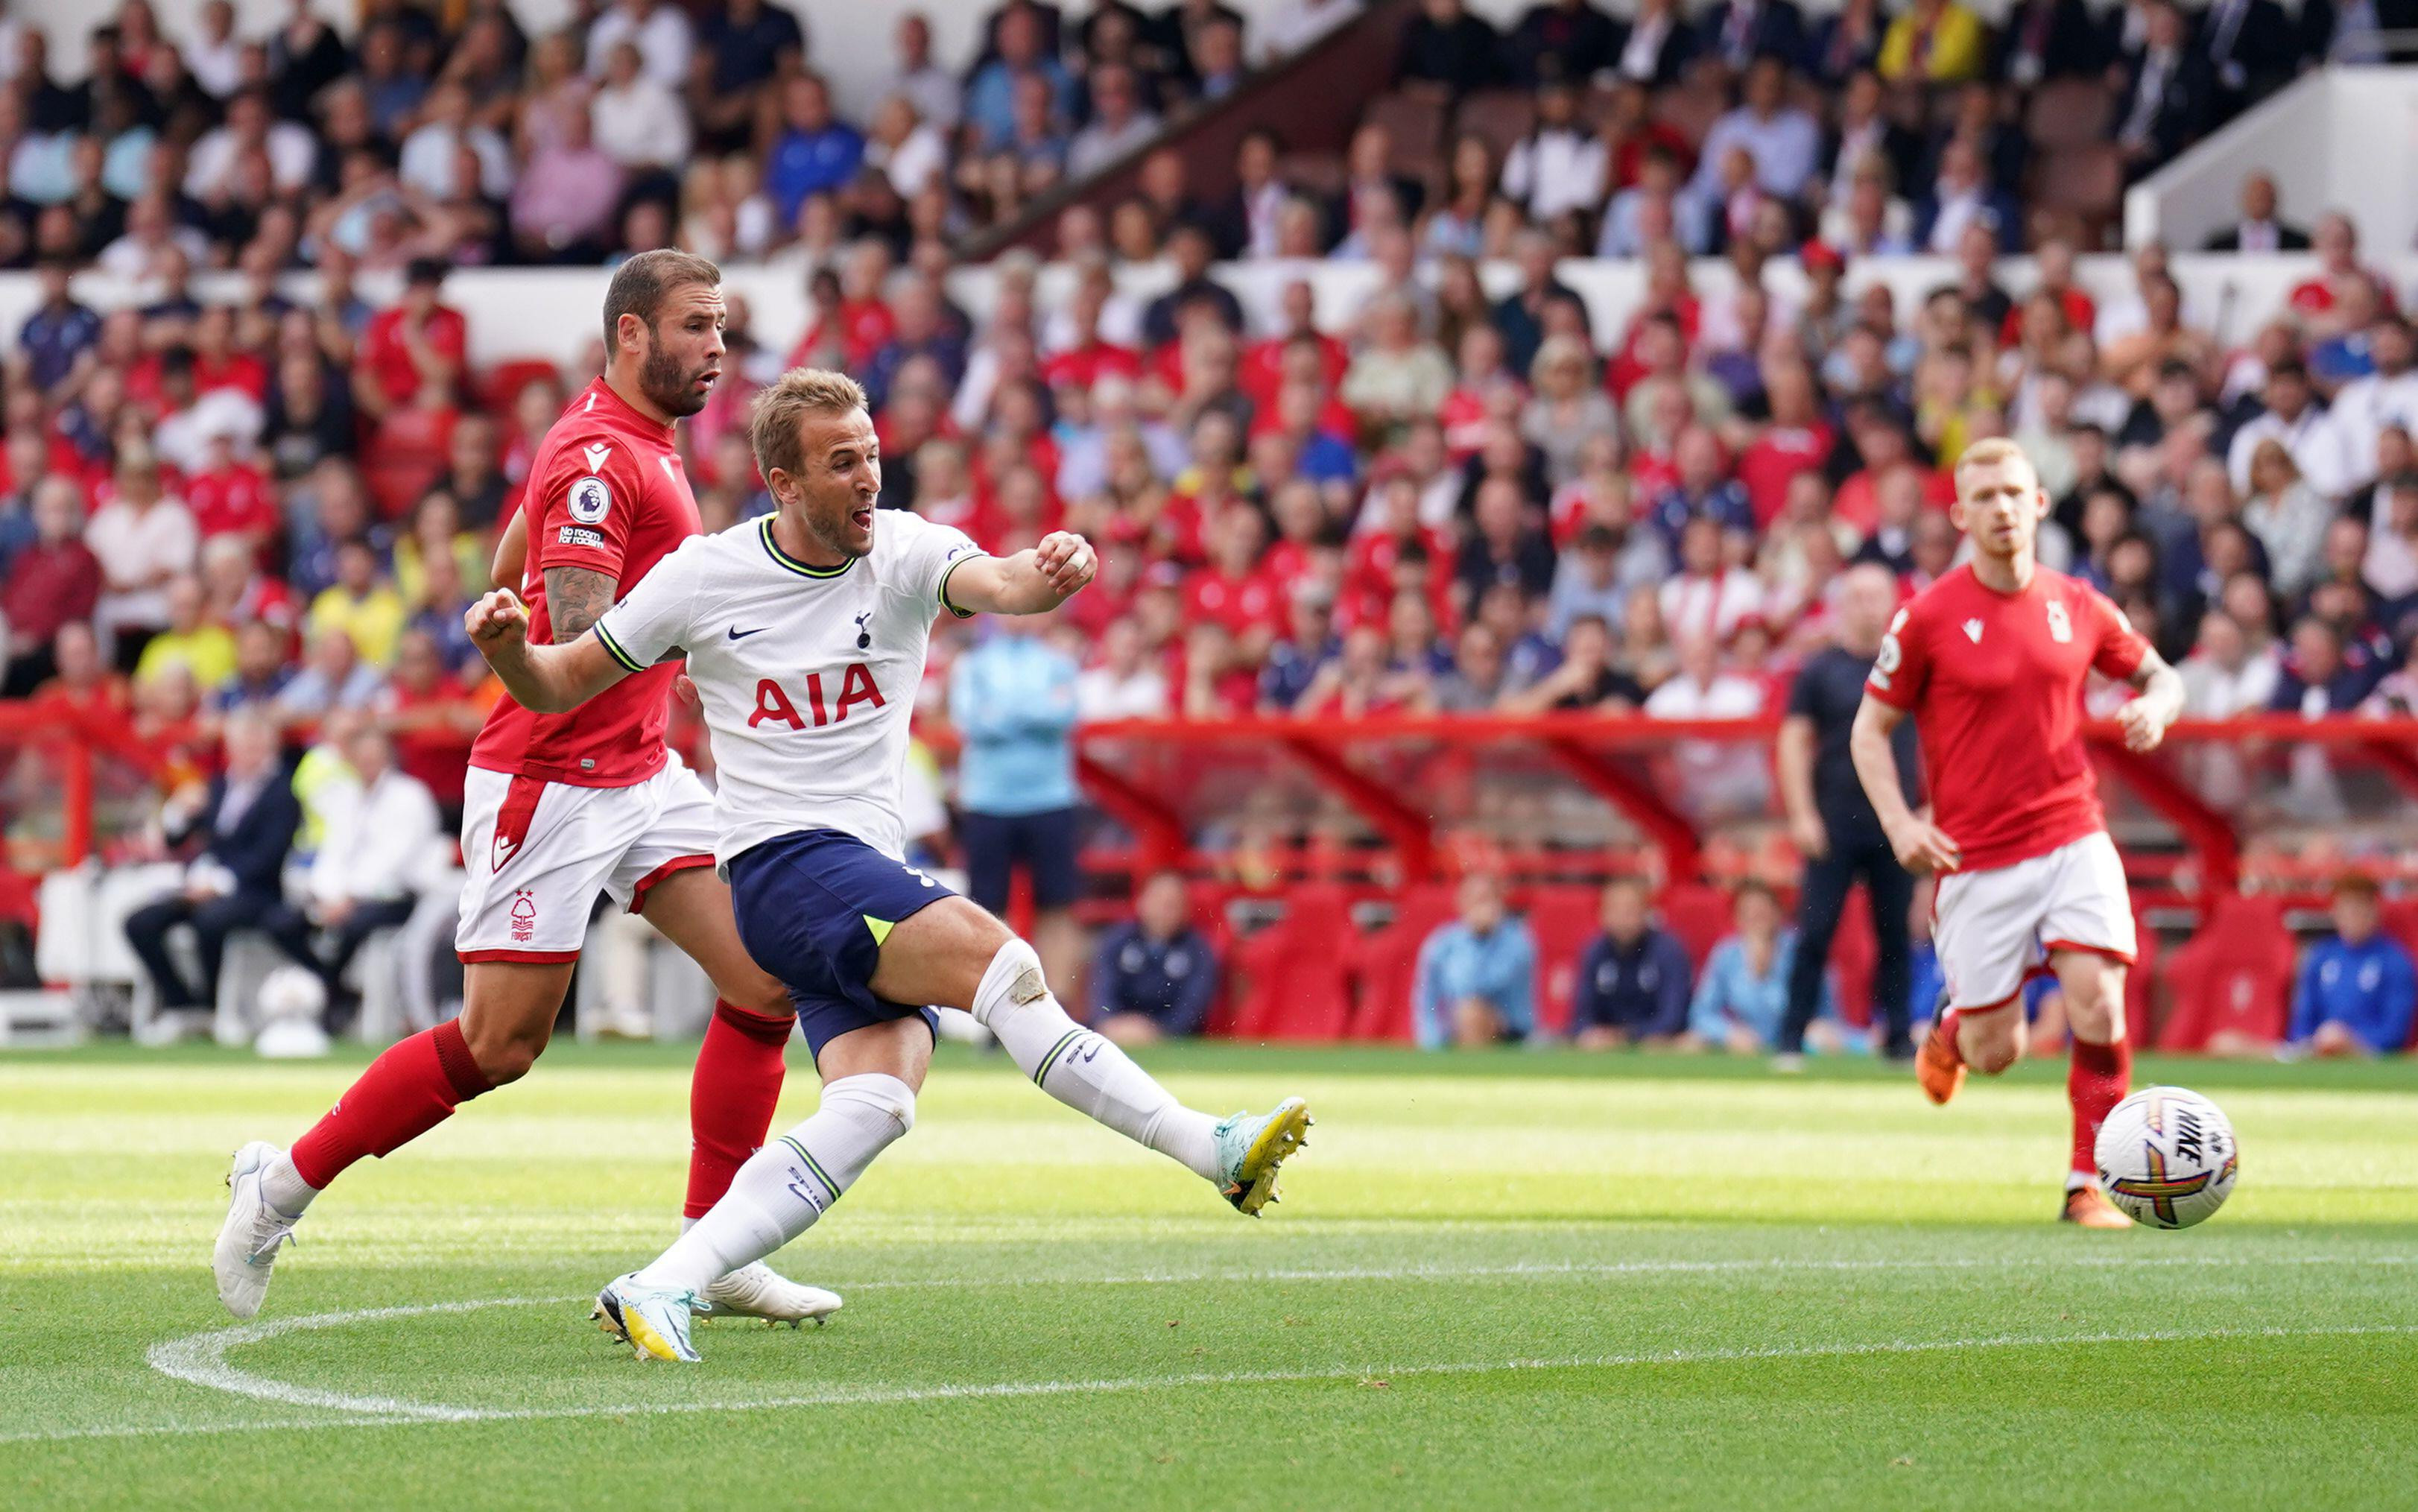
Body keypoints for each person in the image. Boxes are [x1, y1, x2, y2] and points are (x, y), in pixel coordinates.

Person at [461, 367, 1310, 1361]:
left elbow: (1001, 582)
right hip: (783, 870)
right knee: (1004, 968)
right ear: (784, 482)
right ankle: (1208, 1147)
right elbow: (561, 680)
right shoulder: (704, 575)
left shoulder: (902, 548)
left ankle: (665, 1283)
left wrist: (1054, 568)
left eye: (870, 455)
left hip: (851, 872)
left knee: (878, 1098)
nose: (867, 477)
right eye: (841, 463)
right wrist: (509, 648)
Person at [214, 253, 835, 1330]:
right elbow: (590, 619)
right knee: (499, 1047)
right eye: (697, 326)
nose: (718, 348)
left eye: (722, 326)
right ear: (631, 335)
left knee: (766, 981)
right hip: (549, 783)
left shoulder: (628, 439)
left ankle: (713, 1250)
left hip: (641, 773)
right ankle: (279, 1186)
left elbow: (522, 554)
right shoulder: (602, 451)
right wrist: (723, 623)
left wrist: (518, 606)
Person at [1851, 437, 2186, 1227]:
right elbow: (1869, 731)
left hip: (2073, 830)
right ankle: (1951, 1031)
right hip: (1976, 856)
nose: (2000, 508)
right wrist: (1900, 822)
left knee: (2098, 1003)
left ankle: (2087, 1184)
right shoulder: (1927, 617)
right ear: (1959, 514)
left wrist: (2155, 707)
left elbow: (2161, 674)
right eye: (1983, 496)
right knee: (1997, 1051)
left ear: (2038, 502)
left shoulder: (2077, 603)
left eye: (2012, 492)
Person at [1775, 562, 1918, 1065]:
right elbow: (1792, 740)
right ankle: (1790, 1038)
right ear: (1841, 604)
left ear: (1891, 602)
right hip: (1833, 821)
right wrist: (1801, 813)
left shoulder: (1910, 665)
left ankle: (1897, 1038)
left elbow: (1938, 740)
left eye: (1874, 596)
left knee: (1895, 934)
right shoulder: (1819, 669)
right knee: (1814, 930)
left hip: (1894, 820)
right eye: (1855, 596)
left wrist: (1924, 809)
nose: (1865, 606)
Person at [259, 724, 440, 1031]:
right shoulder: (344, 797)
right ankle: (337, 989)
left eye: (374, 756)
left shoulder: (410, 796)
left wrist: (352, 897)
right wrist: (328, 896)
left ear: (389, 757)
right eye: (361, 757)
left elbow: (396, 859)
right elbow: (332, 853)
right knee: (280, 922)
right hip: (340, 899)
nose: (367, 764)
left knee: (353, 927)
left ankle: (330, 996)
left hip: (395, 896)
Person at [123, 712, 300, 1017]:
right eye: (244, 746)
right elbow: (176, 840)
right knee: (140, 922)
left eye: (257, 746)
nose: (250, 753)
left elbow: (269, 856)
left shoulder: (283, 794)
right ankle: (181, 1001)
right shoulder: (217, 788)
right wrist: (178, 810)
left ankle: (211, 1003)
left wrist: (217, 884)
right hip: (202, 887)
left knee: (210, 921)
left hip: (254, 892)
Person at [948, 610, 1085, 988]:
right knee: (988, 911)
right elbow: (969, 720)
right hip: (988, 802)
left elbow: (1066, 713)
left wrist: (1003, 712)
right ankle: (994, 1005)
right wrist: (1035, 710)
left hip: (1050, 799)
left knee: (1058, 906)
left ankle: (1057, 1007)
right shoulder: (974, 664)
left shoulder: (1058, 663)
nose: (1018, 618)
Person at [1683, 881, 1841, 1053]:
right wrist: (1729, 1033)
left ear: (1778, 913)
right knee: (1695, 1042)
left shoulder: (1803, 952)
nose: (1757, 918)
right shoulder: (1727, 955)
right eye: (1749, 913)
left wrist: (1814, 1030)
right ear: (1737, 919)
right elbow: (1701, 1013)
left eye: (1763, 911)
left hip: (1802, 1043)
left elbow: (1829, 1015)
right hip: (1747, 1048)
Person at [1086, 870, 1221, 1046]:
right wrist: (1110, 1024)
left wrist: (1160, 1032)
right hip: (1116, 1034)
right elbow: (1103, 991)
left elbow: (1193, 1006)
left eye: (1172, 904)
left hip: (1172, 1041)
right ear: (1142, 902)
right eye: (1158, 901)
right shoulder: (1117, 941)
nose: (1164, 910)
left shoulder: (1197, 950)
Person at [2288, 876, 2415, 1057]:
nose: (2352, 915)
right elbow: (2302, 1021)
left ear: (2375, 911)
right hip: (2318, 1055)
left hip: (2369, 1059)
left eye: (2358, 908)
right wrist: (2314, 1042)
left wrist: (2350, 1041)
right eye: (2345, 908)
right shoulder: (2321, 957)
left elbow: (2395, 1031)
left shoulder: (2395, 962)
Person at [1412, 870, 1538, 1050]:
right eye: (1476, 900)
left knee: (1472, 1011)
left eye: (1487, 899)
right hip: (1458, 1030)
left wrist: (1479, 940)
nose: (1481, 907)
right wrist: (1432, 1043)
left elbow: (1479, 986)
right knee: (1467, 1012)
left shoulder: (1518, 942)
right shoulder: (1442, 943)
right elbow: (1426, 997)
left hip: (1510, 1031)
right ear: (1462, 903)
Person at [1570, 876, 1692, 1048]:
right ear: (1602, 913)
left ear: (1647, 912)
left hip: (1655, 1045)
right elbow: (1581, 1015)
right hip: (1606, 1048)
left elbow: (1673, 1016)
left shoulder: (1668, 950)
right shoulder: (1594, 951)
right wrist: (1591, 1034)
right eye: (1615, 910)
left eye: (1630, 911)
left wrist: (1629, 1036)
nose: (1623, 919)